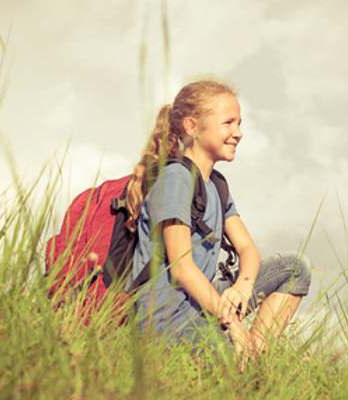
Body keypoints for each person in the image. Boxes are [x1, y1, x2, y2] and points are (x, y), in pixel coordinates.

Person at [123, 79, 312, 364]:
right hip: (166, 318)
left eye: (239, 123)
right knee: (223, 369)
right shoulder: (175, 179)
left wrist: (242, 288)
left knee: (295, 269)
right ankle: (240, 359)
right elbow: (182, 268)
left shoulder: (217, 186)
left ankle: (251, 359)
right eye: (228, 123)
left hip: (199, 304)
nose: (238, 133)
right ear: (191, 127)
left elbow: (248, 249)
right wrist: (234, 324)